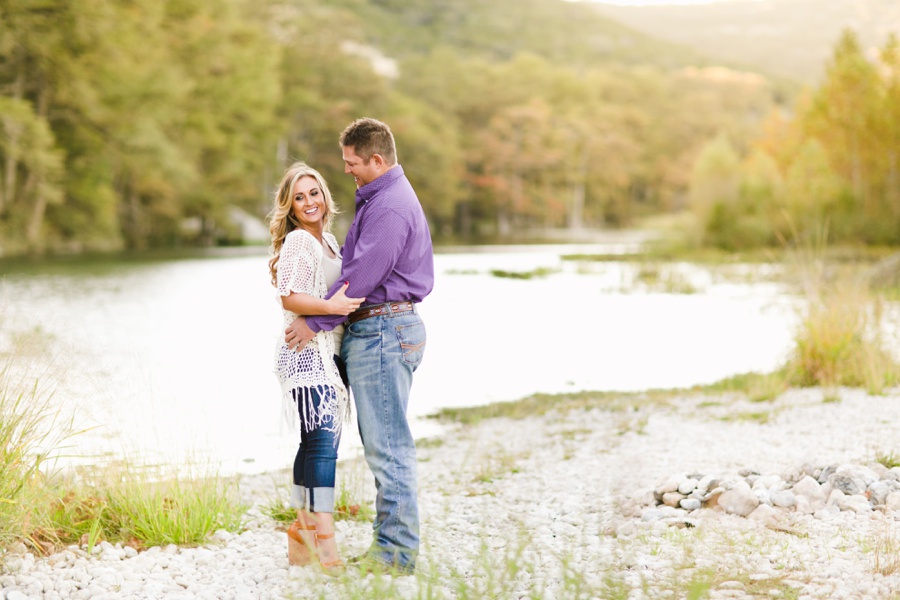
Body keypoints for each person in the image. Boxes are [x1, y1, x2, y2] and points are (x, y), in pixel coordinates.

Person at [284, 117, 434, 575]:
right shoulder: (380, 198)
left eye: (352, 163)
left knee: (389, 450)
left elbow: (361, 280)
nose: (347, 170)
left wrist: (315, 320)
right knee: (380, 445)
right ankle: (342, 541)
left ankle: (394, 555)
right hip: (381, 332)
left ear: (376, 160)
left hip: (385, 333)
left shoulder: (388, 207)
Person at [268, 162, 364, 574]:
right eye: (300, 197)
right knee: (324, 444)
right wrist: (328, 310)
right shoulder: (297, 243)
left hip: (325, 351)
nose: (309, 202)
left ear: (325, 196)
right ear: (290, 206)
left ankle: (302, 534)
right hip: (307, 356)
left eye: (314, 193)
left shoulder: (325, 240)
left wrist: (326, 315)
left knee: (312, 443)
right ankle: (326, 543)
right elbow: (289, 297)